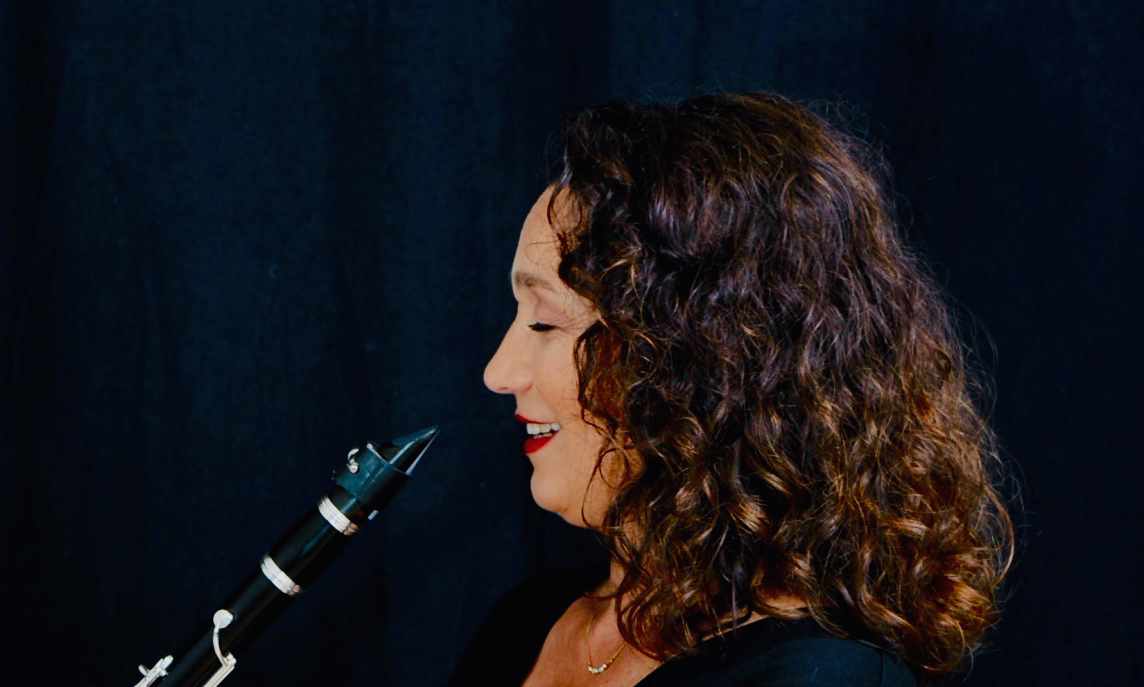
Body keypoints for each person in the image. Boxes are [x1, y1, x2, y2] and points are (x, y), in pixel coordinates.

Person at [450, 92, 1013, 687]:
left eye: (544, 320)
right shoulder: (527, 619)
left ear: (698, 356)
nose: (498, 372)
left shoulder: (817, 676)